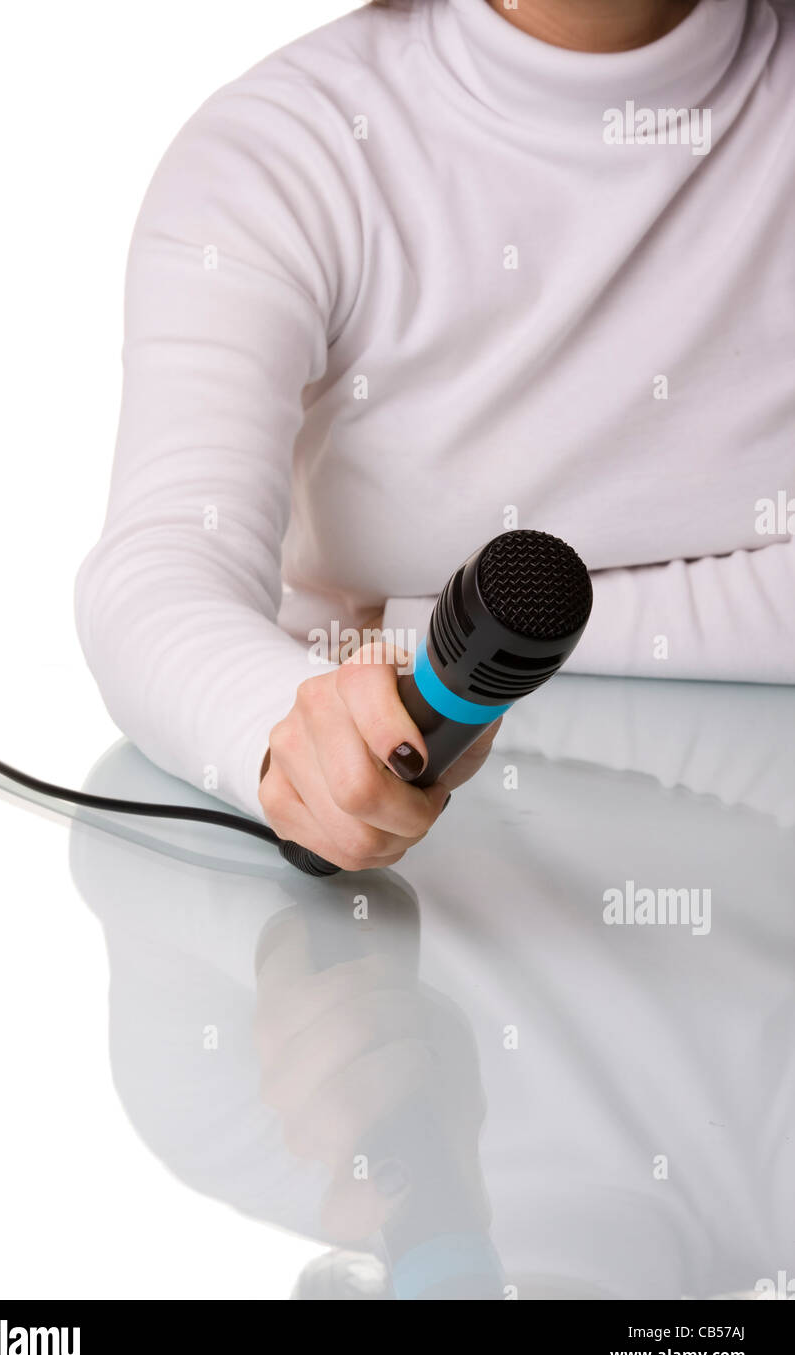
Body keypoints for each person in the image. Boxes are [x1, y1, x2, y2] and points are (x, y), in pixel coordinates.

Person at [75, 0, 795, 871]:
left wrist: (416, 626)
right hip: (386, 928)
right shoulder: (285, 150)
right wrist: (294, 737)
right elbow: (158, 576)